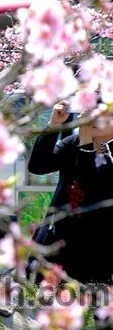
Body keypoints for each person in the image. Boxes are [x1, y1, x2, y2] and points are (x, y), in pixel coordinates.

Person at [27, 102, 113, 285]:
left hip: (98, 246)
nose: (94, 119)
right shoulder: (73, 142)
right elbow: (38, 166)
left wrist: (85, 143)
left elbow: (93, 187)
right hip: (58, 238)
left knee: (90, 304)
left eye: (105, 115)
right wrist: (54, 125)